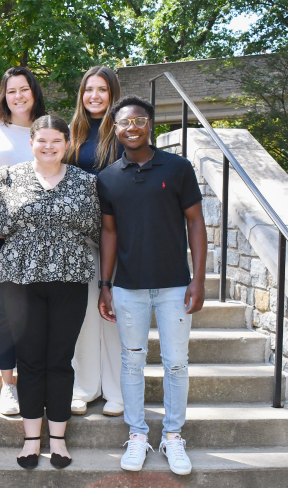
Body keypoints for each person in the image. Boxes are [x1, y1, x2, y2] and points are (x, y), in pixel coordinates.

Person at [0, 115, 101, 469]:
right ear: (31, 142)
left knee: (59, 360)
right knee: (30, 360)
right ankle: (32, 439)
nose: (49, 147)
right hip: (20, 282)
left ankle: (60, 440)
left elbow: (95, 227)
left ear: (67, 144)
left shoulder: (86, 182)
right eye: (42, 141)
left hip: (70, 278)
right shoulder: (7, 178)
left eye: (56, 141)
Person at [97, 95, 207, 476]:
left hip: (175, 285)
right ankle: (138, 434)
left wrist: (198, 279)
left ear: (150, 124)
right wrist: (105, 284)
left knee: (176, 364)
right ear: (115, 129)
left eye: (138, 120)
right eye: (124, 122)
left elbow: (195, 222)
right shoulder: (107, 178)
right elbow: (108, 232)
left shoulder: (178, 168)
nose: (131, 127)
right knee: (132, 361)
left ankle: (173, 436)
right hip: (128, 288)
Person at [0, 66, 47, 415]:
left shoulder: (47, 128)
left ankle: (38, 379)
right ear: (3, 95)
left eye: (24, 89)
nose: (18, 97)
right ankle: (8, 384)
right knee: (5, 313)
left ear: (34, 92)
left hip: (42, 239)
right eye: (11, 91)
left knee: (39, 312)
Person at [67, 66, 125, 417]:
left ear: (112, 93)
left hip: (115, 234)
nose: (94, 96)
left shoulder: (120, 133)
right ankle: (86, 386)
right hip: (79, 236)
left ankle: (117, 390)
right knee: (85, 315)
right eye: (89, 89)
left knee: (113, 312)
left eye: (102, 89)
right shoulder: (71, 132)